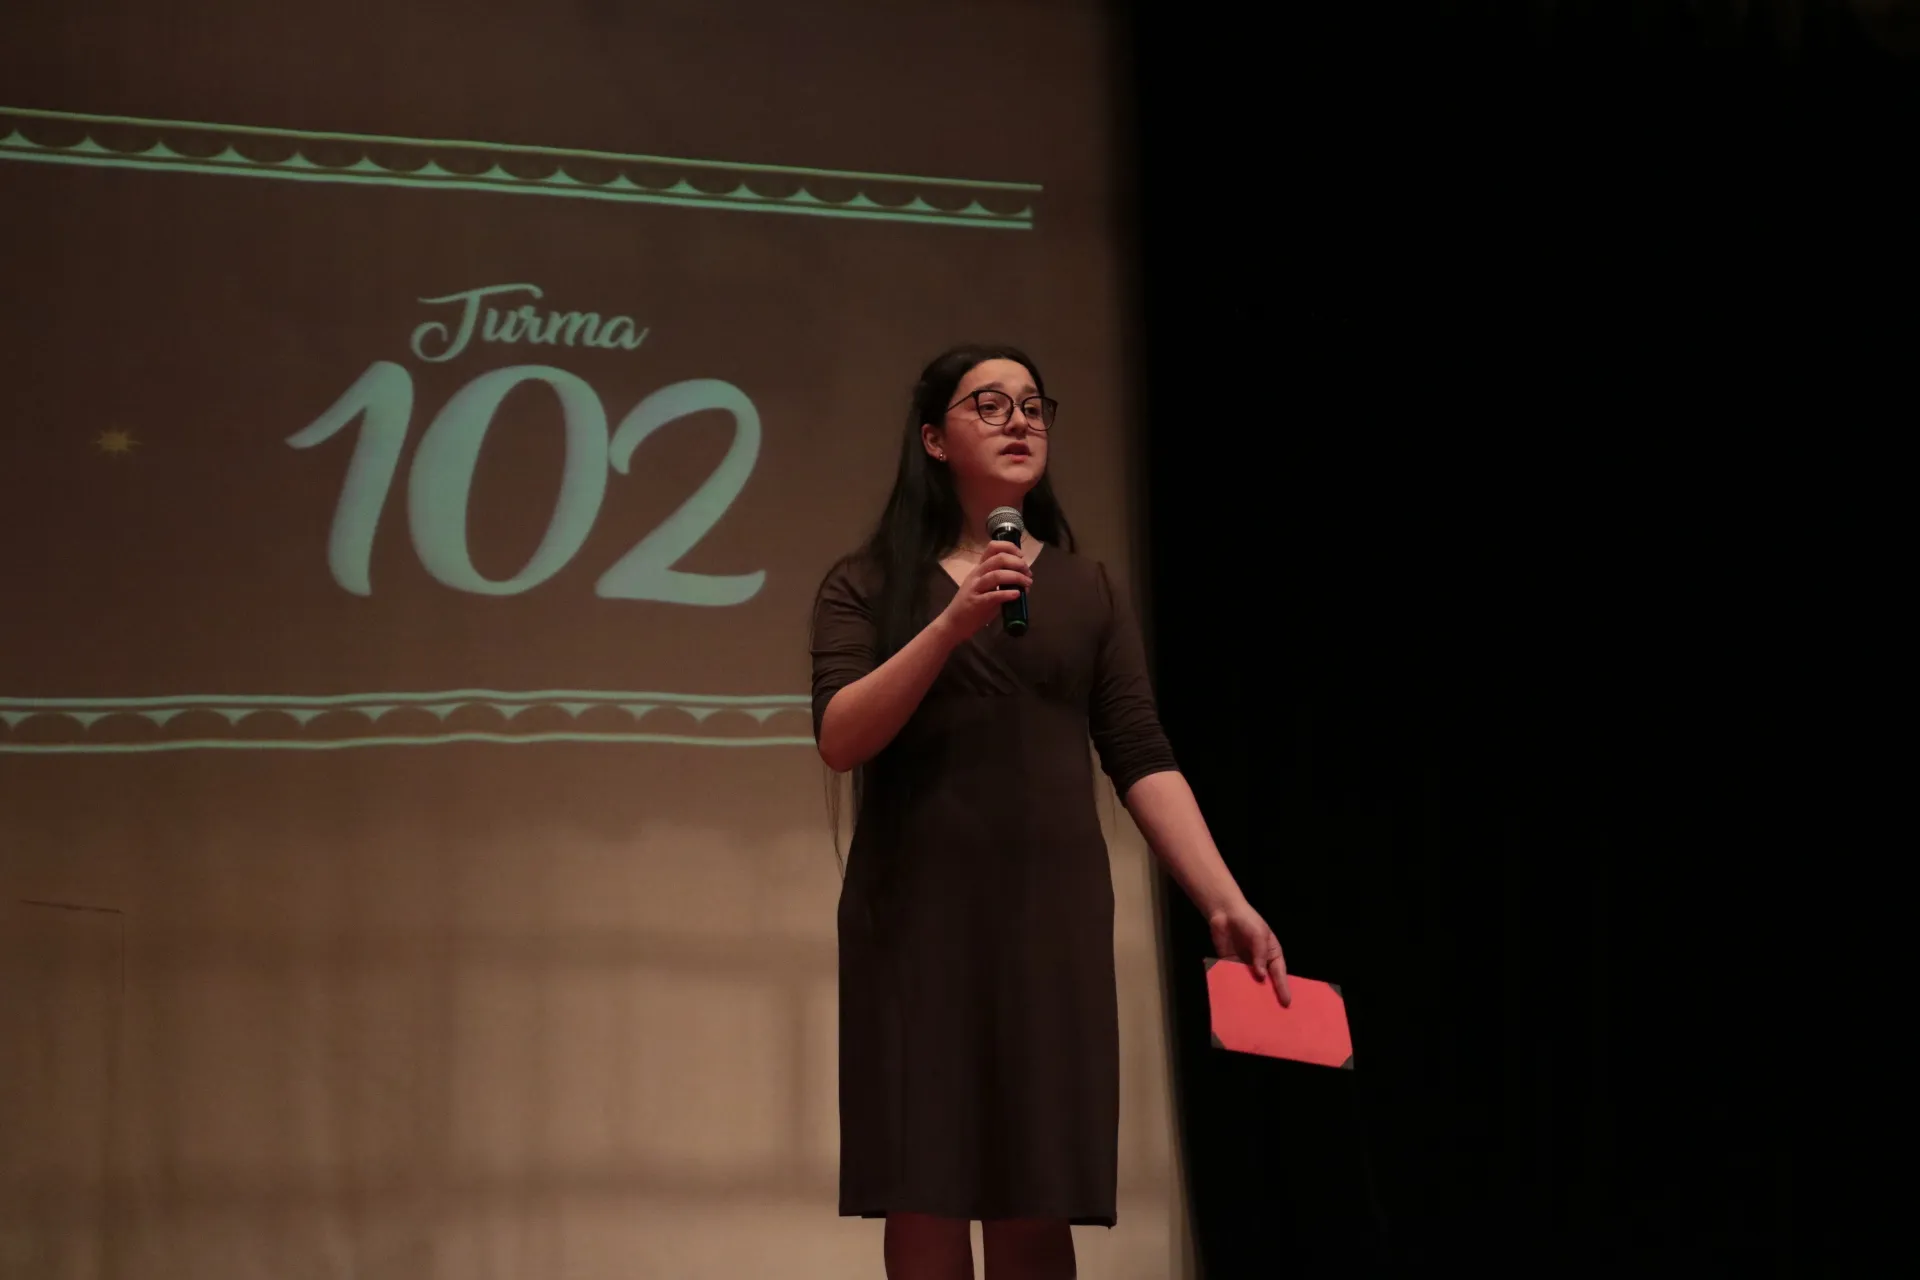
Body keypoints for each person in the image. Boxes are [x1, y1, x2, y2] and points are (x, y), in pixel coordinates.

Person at [810, 344, 1290, 1280]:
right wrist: (952, 624)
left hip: (1049, 921)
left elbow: (1142, 755)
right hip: (914, 920)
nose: (1020, 421)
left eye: (1033, 405)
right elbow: (841, 735)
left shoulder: (1087, 589)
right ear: (934, 439)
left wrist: (1224, 900)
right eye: (989, 404)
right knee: (923, 1187)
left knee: (1035, 1189)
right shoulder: (866, 585)